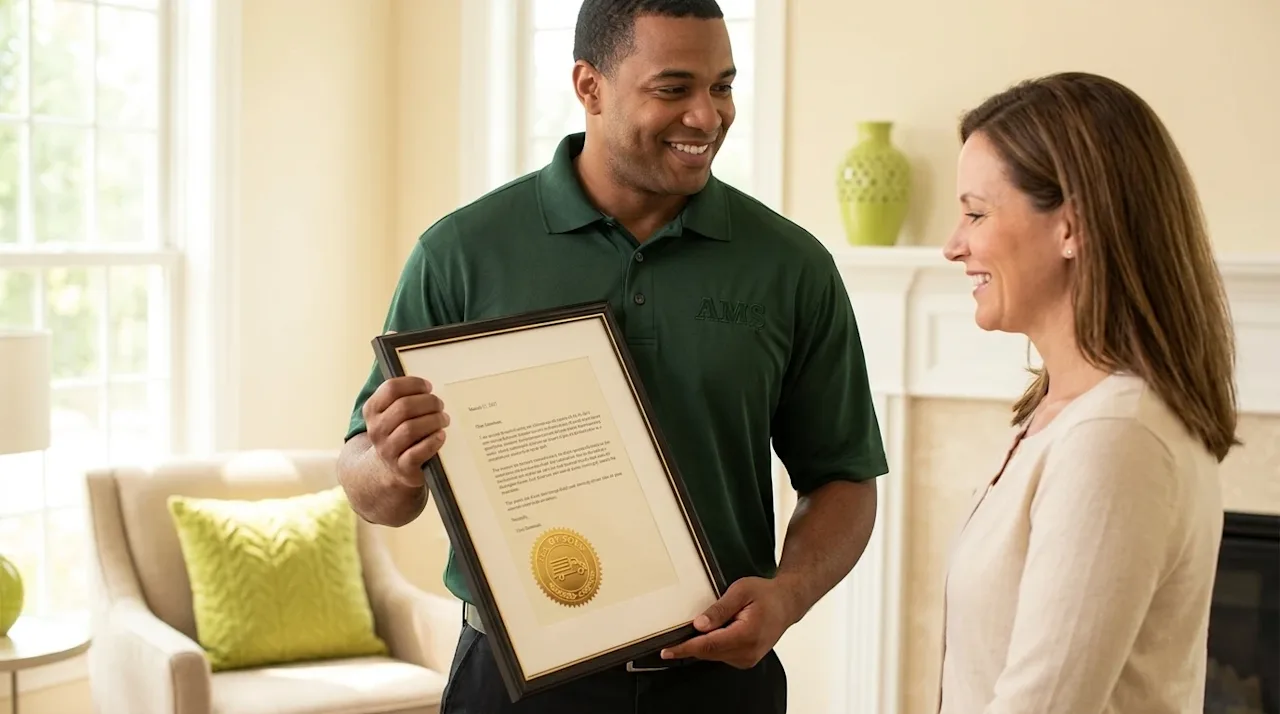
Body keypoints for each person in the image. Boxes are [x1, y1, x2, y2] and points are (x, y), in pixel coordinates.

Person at [336, 1, 888, 712]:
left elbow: (844, 477)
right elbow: (368, 483)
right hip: (513, 686)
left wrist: (788, 595)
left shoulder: (791, 266)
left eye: (722, 86)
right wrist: (387, 460)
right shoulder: (461, 254)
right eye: (673, 88)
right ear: (588, 86)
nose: (707, 116)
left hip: (719, 687)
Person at [938, 71, 1240, 713]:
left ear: (1070, 227)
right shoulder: (1061, 417)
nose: (953, 245)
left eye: (975, 213)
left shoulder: (1114, 438)